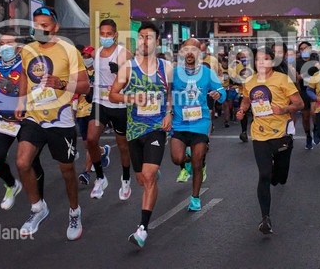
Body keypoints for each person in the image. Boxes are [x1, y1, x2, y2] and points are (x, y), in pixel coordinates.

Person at [14, 7, 89, 240]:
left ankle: (74, 211)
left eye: (44, 25)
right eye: (36, 25)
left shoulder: (69, 50)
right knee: (22, 162)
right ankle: (38, 207)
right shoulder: (28, 50)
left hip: (61, 118)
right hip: (34, 115)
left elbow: (85, 86)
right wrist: (20, 101)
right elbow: (25, 75)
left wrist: (61, 84)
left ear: (55, 27)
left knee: (67, 171)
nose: (40, 29)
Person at [108, 21, 173, 248]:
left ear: (157, 41)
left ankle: (142, 228)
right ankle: (151, 174)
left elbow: (170, 93)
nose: (145, 41)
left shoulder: (166, 68)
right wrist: (131, 98)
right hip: (134, 129)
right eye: (142, 37)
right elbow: (113, 94)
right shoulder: (128, 67)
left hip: (156, 128)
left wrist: (169, 113)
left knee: (149, 175)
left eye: (149, 37)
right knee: (141, 178)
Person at [236, 47, 303, 234]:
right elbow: (246, 100)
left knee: (279, 178)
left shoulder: (282, 79)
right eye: (258, 59)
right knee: (264, 175)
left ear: (272, 62)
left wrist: (284, 109)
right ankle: (265, 218)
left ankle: (277, 173)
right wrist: (241, 110)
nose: (261, 62)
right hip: (260, 134)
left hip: (281, 134)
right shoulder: (250, 81)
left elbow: (300, 104)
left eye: (265, 59)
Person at [0, 32, 44, 211]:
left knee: (31, 162)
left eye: (9, 43)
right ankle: (12, 184)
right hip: (5, 120)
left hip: (27, 119)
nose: (4, 47)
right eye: (1, 43)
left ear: (19, 47)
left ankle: (39, 201)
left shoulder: (28, 65)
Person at [171, 38, 226, 211]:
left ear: (200, 53)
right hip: (179, 123)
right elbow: (164, 92)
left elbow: (222, 92)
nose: (190, 53)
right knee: (177, 159)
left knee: (197, 162)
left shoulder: (207, 73)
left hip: (200, 123)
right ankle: (187, 160)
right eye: (186, 49)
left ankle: (195, 198)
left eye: (193, 49)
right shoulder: (174, 72)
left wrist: (218, 94)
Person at [87, 19, 132, 200]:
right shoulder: (96, 53)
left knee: (123, 146)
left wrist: (120, 71)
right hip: (100, 102)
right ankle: (100, 178)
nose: (105, 37)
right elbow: (92, 74)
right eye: (102, 34)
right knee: (91, 139)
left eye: (108, 34)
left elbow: (133, 79)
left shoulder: (124, 54)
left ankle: (126, 178)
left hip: (119, 104)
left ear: (115, 35)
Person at [75, 45, 109, 186]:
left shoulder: (100, 71)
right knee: (87, 144)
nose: (86, 58)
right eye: (84, 56)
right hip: (81, 110)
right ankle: (103, 151)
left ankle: (86, 172)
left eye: (88, 56)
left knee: (90, 141)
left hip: (96, 109)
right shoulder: (80, 73)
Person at [229, 49, 255, 142]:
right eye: (242, 57)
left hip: (255, 93)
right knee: (242, 112)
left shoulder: (254, 66)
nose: (244, 59)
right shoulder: (237, 66)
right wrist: (239, 82)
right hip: (242, 93)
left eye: (245, 57)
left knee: (255, 113)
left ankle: (257, 131)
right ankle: (244, 132)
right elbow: (232, 79)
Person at [296, 41, 316, 149]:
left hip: (315, 90)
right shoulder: (297, 62)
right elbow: (297, 78)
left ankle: (316, 128)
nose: (304, 50)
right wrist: (308, 72)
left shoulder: (316, 60)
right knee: (305, 117)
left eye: (306, 48)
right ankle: (308, 136)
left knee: (314, 112)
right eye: (301, 49)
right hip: (303, 91)